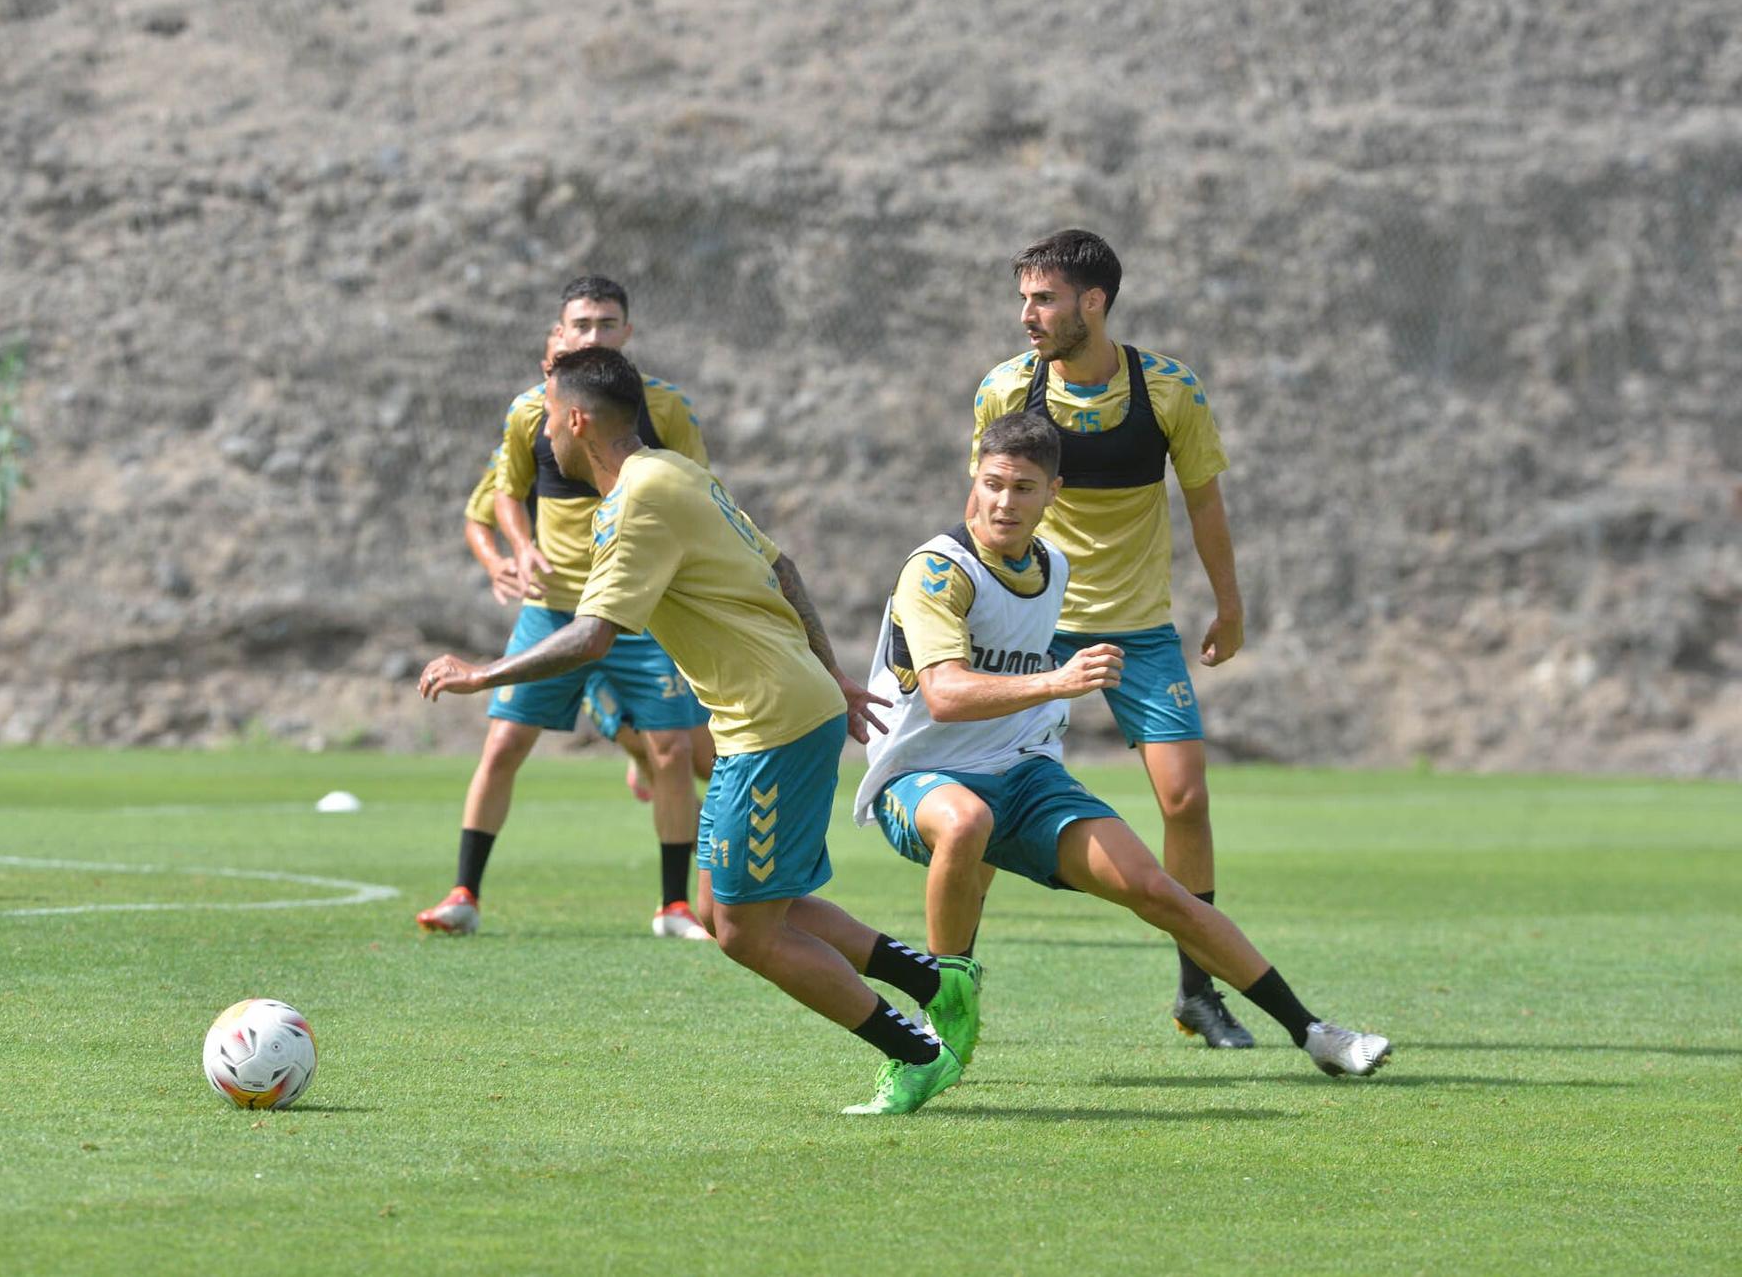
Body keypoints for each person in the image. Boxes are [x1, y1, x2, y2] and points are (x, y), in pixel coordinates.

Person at [422, 347, 976, 1115]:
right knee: (730, 909)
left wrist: (483, 672)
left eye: (548, 417)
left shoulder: (637, 499)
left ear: (577, 419)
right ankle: (934, 981)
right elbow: (785, 570)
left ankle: (915, 1052)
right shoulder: (678, 473)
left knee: (746, 933)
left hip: (771, 720)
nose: (544, 435)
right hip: (771, 711)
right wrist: (836, 675)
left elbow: (592, 637)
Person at [853, 412, 1392, 1078]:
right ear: (975, 479)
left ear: (1054, 493)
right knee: (966, 821)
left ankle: (1315, 1032)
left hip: (1021, 778)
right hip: (920, 776)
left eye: (1024, 487)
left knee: (1157, 889)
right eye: (993, 483)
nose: (1004, 501)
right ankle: (944, 1012)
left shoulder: (1054, 568)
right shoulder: (938, 571)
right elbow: (945, 694)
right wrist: (1058, 680)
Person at [968, 228, 1257, 1047]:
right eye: (1025, 298)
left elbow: (1205, 503)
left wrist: (1229, 607)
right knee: (977, 807)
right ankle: (951, 984)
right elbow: (985, 508)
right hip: (1028, 625)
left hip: (1137, 630)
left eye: (1044, 299)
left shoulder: (1169, 392)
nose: (1028, 314)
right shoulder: (1003, 390)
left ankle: (1197, 992)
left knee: (1186, 798)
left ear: (1093, 304)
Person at [419, 278, 715, 940]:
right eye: (580, 324)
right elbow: (501, 494)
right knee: (504, 741)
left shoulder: (663, 409)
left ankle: (674, 906)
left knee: (675, 749)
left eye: (607, 324)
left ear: (627, 333)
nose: (593, 336)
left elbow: (701, 493)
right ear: (559, 333)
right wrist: (519, 548)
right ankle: (464, 892)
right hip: (555, 608)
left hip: (641, 609)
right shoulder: (533, 410)